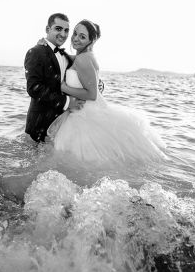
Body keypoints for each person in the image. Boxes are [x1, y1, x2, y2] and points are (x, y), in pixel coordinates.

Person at [47, 19, 166, 162]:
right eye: (75, 33)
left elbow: (92, 94)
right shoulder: (85, 56)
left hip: (84, 115)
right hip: (85, 110)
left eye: (82, 36)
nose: (75, 38)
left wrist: (65, 87)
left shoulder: (82, 59)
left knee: (77, 159)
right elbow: (69, 60)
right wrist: (46, 44)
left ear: (91, 41)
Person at [24, 13, 84, 142]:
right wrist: (68, 102)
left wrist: (96, 84)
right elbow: (34, 88)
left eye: (66, 30)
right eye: (58, 29)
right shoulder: (35, 52)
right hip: (39, 125)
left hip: (61, 125)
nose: (63, 34)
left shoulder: (66, 56)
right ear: (47, 29)